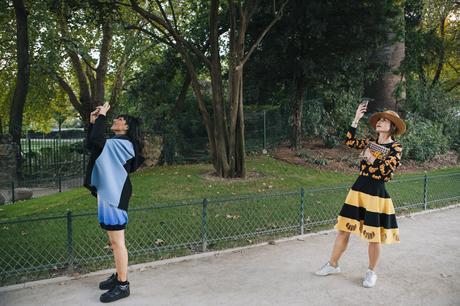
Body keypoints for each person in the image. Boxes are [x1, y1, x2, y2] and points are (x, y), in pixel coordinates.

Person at [315, 101, 406, 288]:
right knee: (343, 230)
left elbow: (385, 171)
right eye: (379, 120)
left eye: (384, 121)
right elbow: (349, 141)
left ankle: (371, 273)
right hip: (358, 189)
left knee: (373, 237)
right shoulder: (369, 143)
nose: (380, 122)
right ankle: (333, 264)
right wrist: (356, 119)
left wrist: (371, 157)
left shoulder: (396, 148)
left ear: (392, 127)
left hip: (376, 193)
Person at [84, 102, 144, 303]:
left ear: (127, 127)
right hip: (110, 193)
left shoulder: (125, 144)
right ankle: (119, 274)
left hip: (115, 196)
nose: (115, 120)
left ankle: (123, 285)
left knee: (118, 243)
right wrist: (94, 122)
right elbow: (92, 144)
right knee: (113, 241)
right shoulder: (116, 141)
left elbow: (96, 140)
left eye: (120, 119)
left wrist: (101, 116)